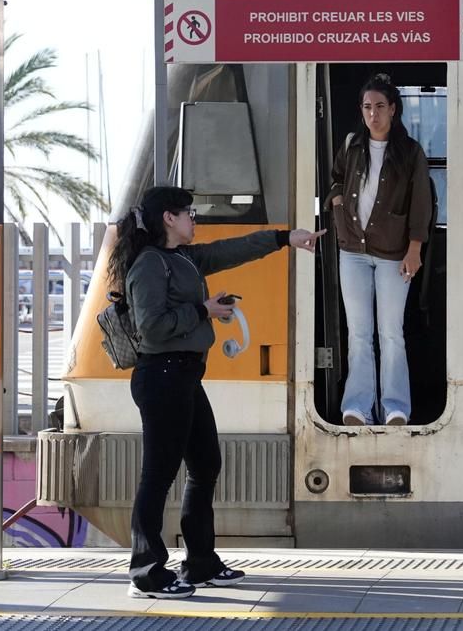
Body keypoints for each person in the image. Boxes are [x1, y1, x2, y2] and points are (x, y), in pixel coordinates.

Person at [108, 186, 323, 599]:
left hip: (185, 376)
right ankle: (146, 571)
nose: (195, 220)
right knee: (159, 474)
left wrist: (285, 238)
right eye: (189, 213)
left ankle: (200, 562)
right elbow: (152, 327)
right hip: (162, 376)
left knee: (205, 464)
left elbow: (231, 250)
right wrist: (202, 310)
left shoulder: (183, 258)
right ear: (169, 218)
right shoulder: (150, 263)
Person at [324, 73, 432, 427]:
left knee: (391, 334)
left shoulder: (410, 152)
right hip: (352, 250)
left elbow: (421, 204)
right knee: (358, 334)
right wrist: (337, 202)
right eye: (368, 107)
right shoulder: (352, 144)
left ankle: (396, 408)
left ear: (393, 109)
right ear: (361, 110)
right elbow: (337, 178)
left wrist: (414, 249)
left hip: (394, 253)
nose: (374, 114)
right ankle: (357, 407)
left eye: (380, 106)